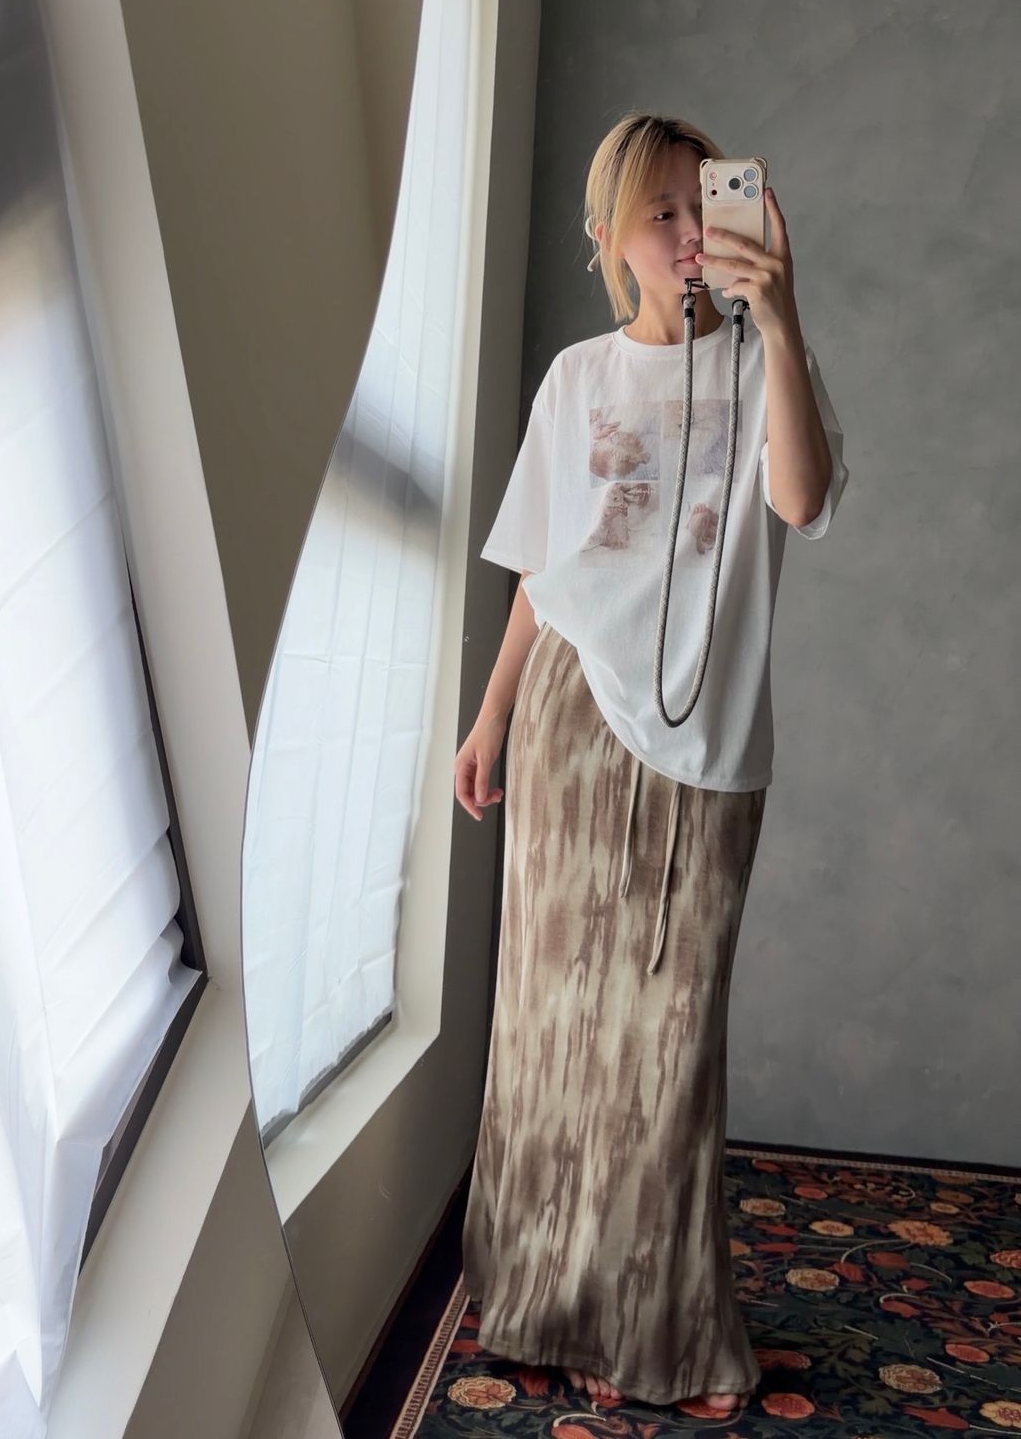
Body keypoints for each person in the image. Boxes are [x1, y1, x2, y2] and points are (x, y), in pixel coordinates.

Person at [454, 112, 849, 1417]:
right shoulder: (577, 379)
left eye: (704, 206)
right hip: (571, 719)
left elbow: (802, 500)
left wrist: (778, 320)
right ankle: (542, 1306)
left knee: (664, 1047)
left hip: (705, 741)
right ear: (608, 236)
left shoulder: (766, 365)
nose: (688, 234)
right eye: (661, 213)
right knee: (554, 1023)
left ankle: (658, 1330)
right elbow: (541, 570)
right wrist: (492, 717)